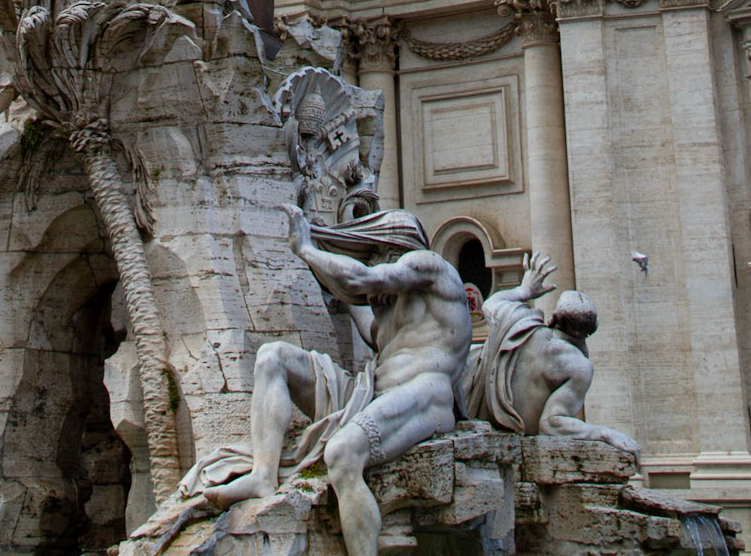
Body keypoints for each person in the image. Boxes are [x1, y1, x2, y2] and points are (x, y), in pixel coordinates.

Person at [199, 206, 472, 556]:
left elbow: (360, 280)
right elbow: (356, 304)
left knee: (342, 452)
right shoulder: (388, 312)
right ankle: (263, 475)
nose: (375, 265)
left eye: (377, 256)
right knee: (273, 357)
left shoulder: (431, 267)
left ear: (395, 250)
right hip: (371, 392)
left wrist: (308, 249)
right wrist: (324, 263)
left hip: (426, 392)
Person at [465, 250, 636, 449]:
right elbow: (551, 424)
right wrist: (604, 433)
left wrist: (524, 291)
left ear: (552, 318)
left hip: (465, 397)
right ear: (591, 330)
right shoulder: (579, 367)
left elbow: (491, 304)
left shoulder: (519, 321)